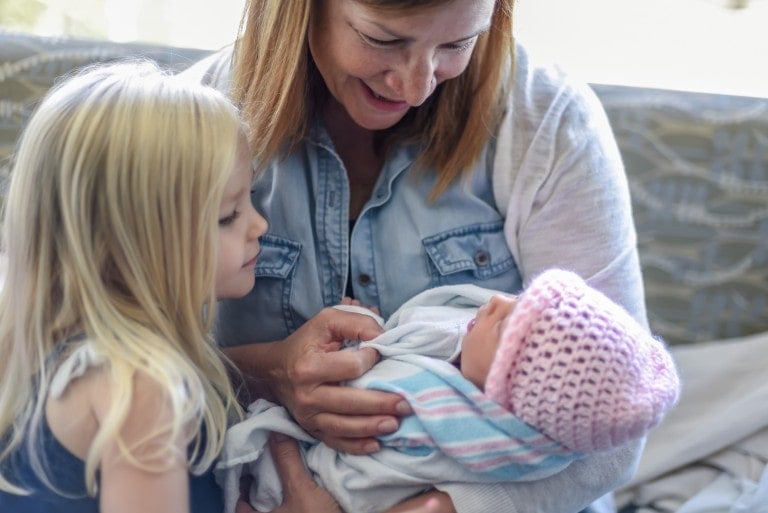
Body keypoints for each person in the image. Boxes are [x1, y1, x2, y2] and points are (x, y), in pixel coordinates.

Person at [182, 0, 648, 510]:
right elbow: (124, 368)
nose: (418, 86)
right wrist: (268, 370)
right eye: (382, 40)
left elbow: (619, 423)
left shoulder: (546, 121)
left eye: (456, 44)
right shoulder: (183, 125)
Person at [0, 59, 276, 513]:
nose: (259, 224)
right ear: (123, 247)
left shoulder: (39, 354)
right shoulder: (141, 389)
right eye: (228, 215)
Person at [214, 269, 680, 513]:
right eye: (519, 299)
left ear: (501, 403)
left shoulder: (448, 414)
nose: (496, 300)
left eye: (506, 329)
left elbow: (372, 388)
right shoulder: (467, 347)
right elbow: (404, 337)